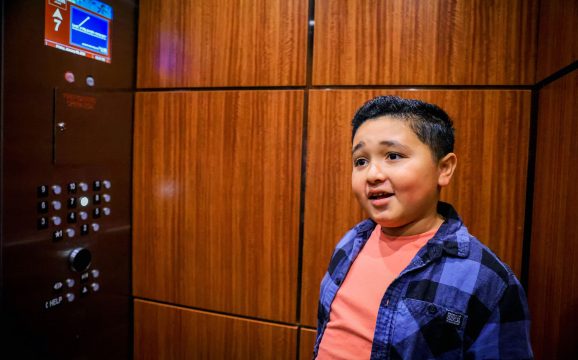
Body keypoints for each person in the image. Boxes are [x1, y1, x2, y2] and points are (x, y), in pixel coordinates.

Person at [314, 96, 533, 359]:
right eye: (360, 161)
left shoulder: (487, 279)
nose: (372, 174)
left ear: (444, 168)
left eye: (393, 156)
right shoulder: (350, 242)